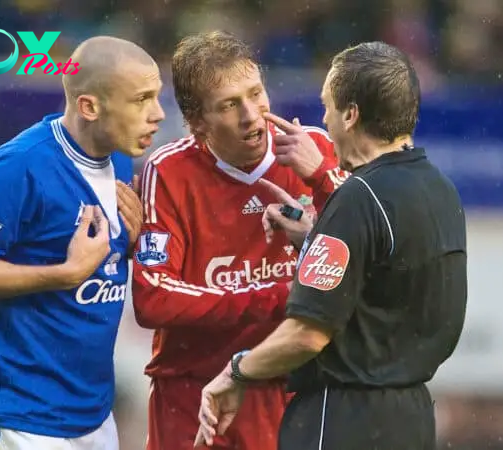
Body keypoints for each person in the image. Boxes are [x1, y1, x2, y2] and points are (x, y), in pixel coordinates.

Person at [195, 41, 468, 450]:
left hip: (343, 418)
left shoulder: (359, 197)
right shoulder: (441, 190)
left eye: (326, 106)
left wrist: (237, 372)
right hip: (412, 417)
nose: (322, 119)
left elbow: (307, 334)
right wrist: (314, 240)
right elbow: (387, 283)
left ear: (351, 114)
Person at [0, 35, 164, 450]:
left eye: (157, 97)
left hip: (90, 413)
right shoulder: (20, 165)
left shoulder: (121, 158)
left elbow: (97, 263)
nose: (158, 114)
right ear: (90, 106)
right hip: (20, 413)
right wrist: (65, 273)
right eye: (141, 99)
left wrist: (128, 245)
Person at [131, 30, 348, 450]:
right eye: (229, 105)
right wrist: (279, 295)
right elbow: (153, 297)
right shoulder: (169, 171)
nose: (252, 115)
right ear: (196, 123)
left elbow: (363, 262)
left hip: (295, 390)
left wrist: (323, 180)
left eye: (255, 93)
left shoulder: (317, 152)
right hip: (194, 395)